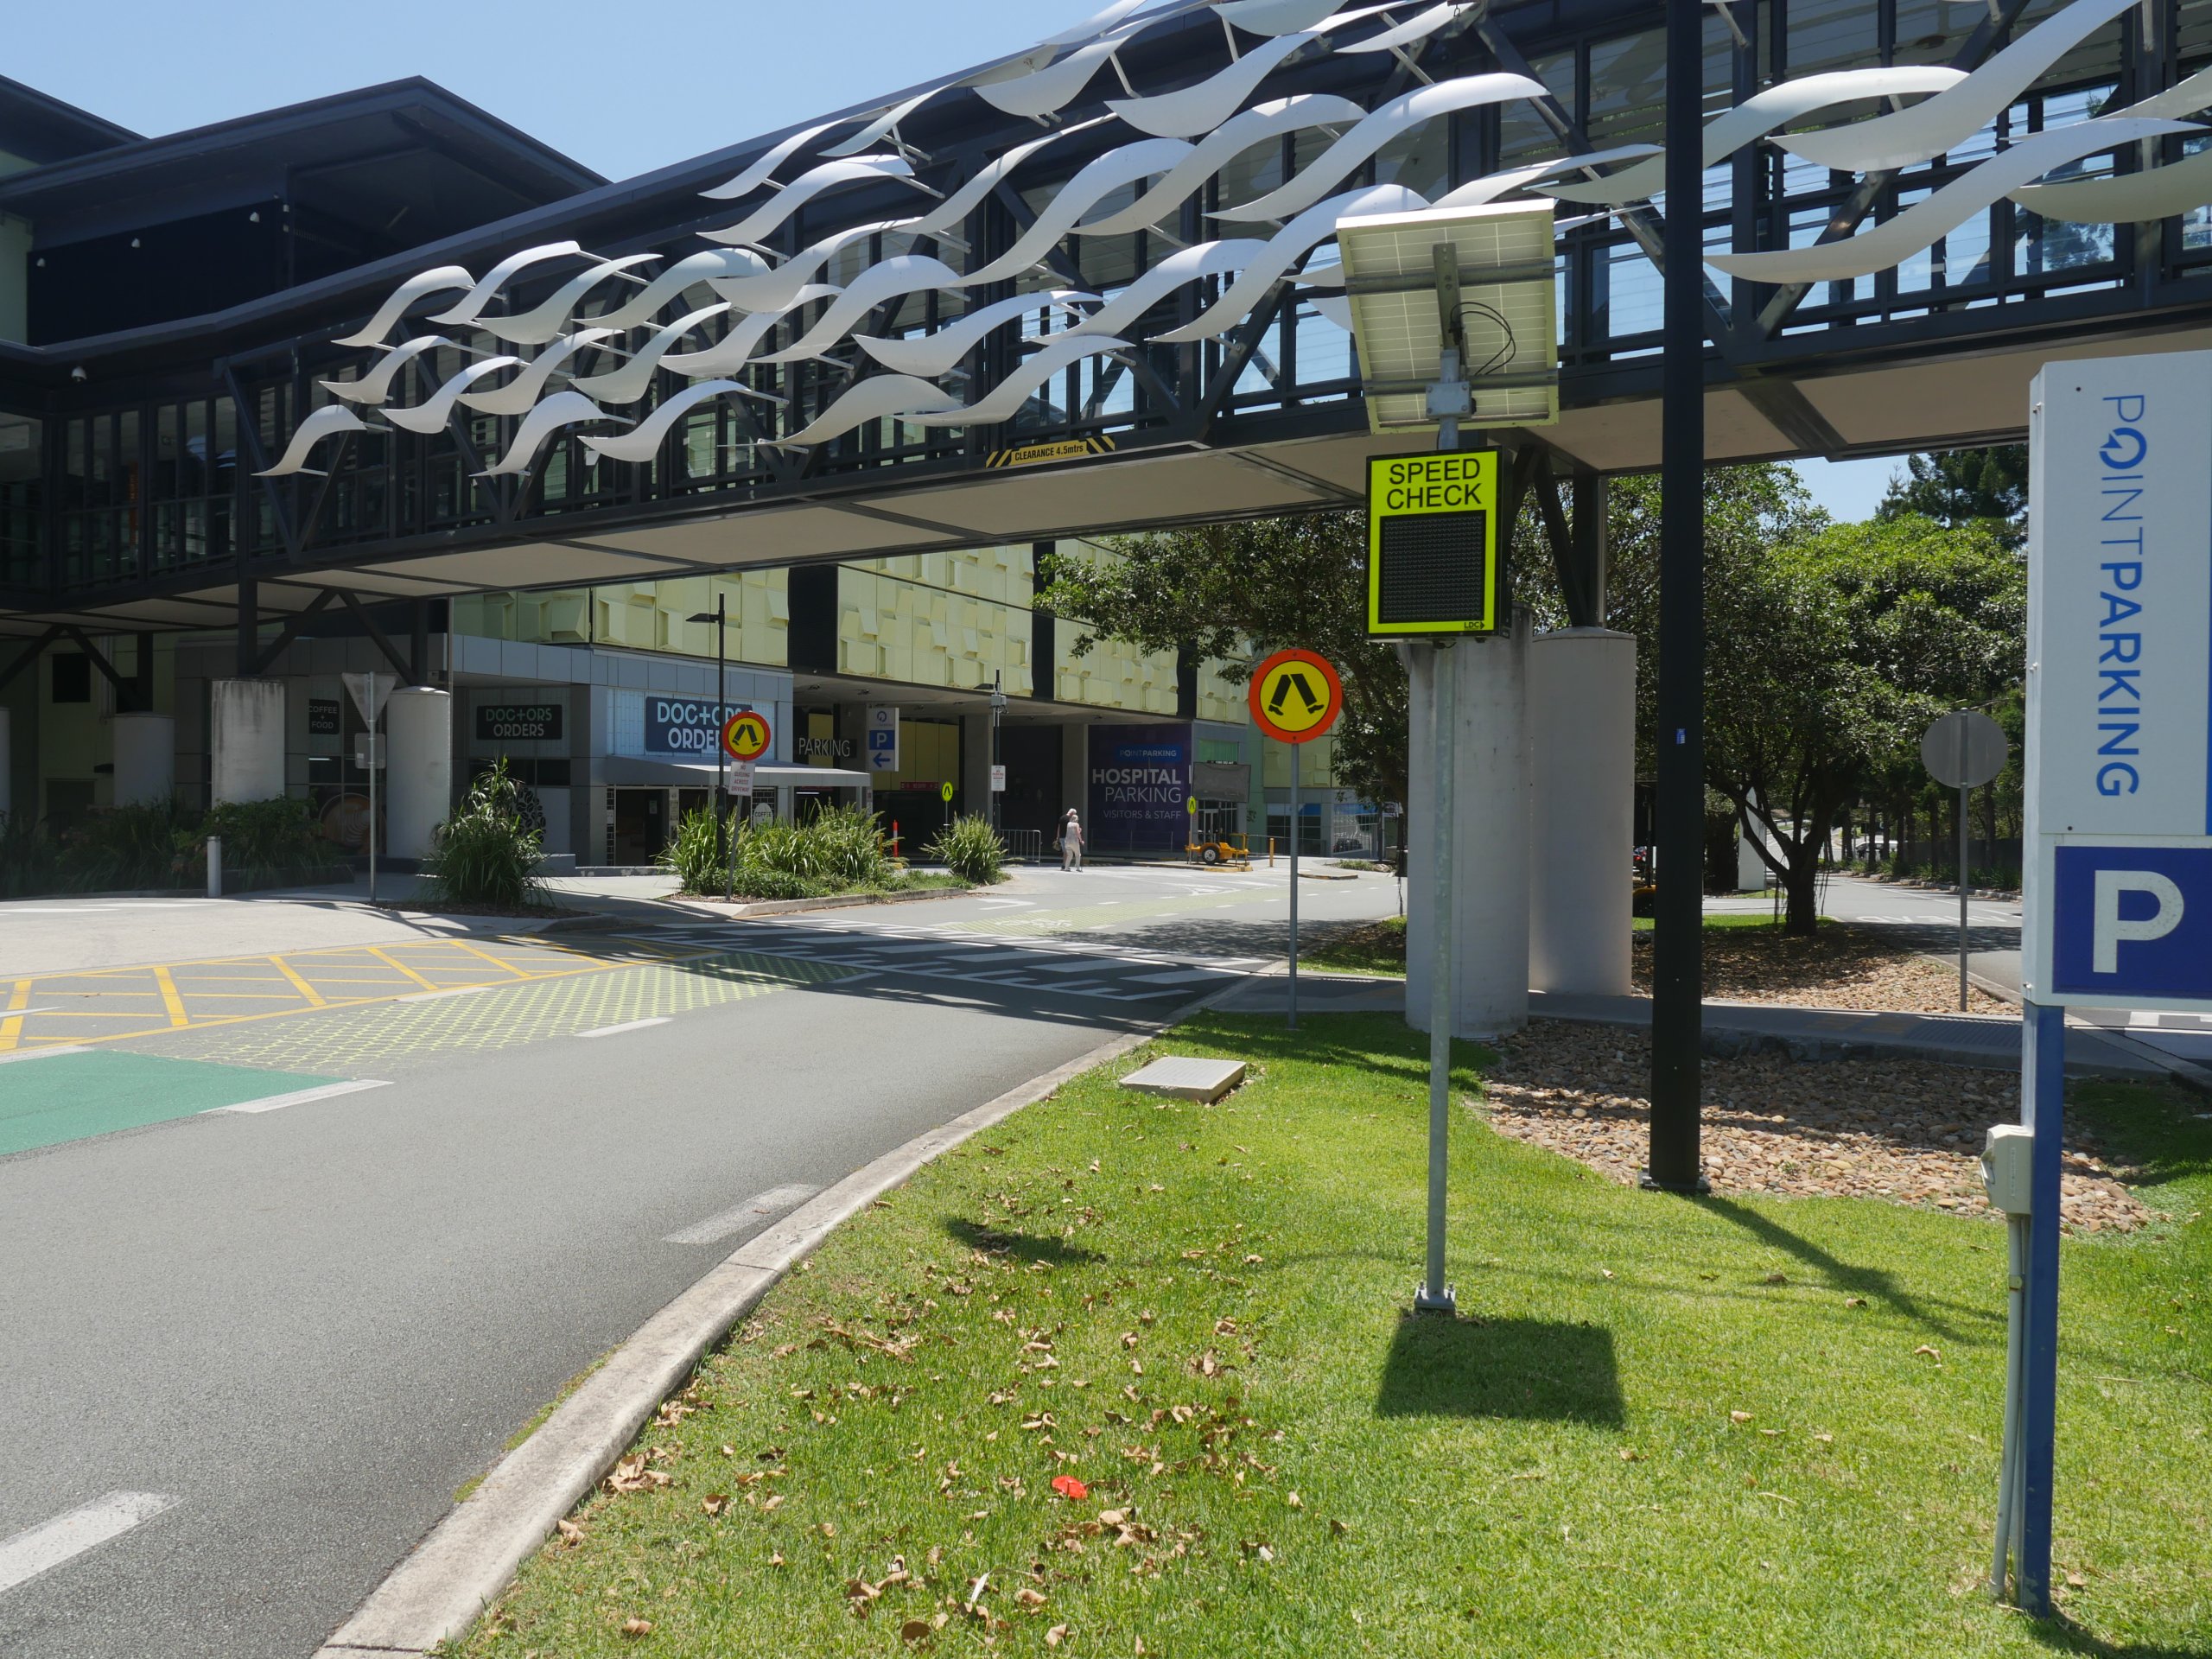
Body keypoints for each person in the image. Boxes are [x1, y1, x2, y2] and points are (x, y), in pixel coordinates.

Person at [1058, 809, 1085, 873]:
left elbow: (1071, 831)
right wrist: (1081, 840)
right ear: (1076, 819)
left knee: (1069, 855)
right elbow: (1078, 833)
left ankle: (1066, 867)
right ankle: (1078, 868)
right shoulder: (1076, 824)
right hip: (1074, 842)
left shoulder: (1068, 824)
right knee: (1078, 855)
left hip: (1067, 842)